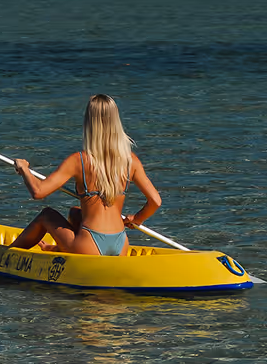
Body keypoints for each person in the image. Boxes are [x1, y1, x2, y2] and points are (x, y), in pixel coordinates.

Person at [11, 93, 161, 256]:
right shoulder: (131, 160)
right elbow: (155, 201)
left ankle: (5, 255)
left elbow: (38, 192)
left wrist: (24, 169)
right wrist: (138, 218)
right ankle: (56, 249)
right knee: (75, 213)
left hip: (90, 245)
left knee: (47, 215)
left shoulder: (79, 160)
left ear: (89, 123)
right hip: (120, 243)